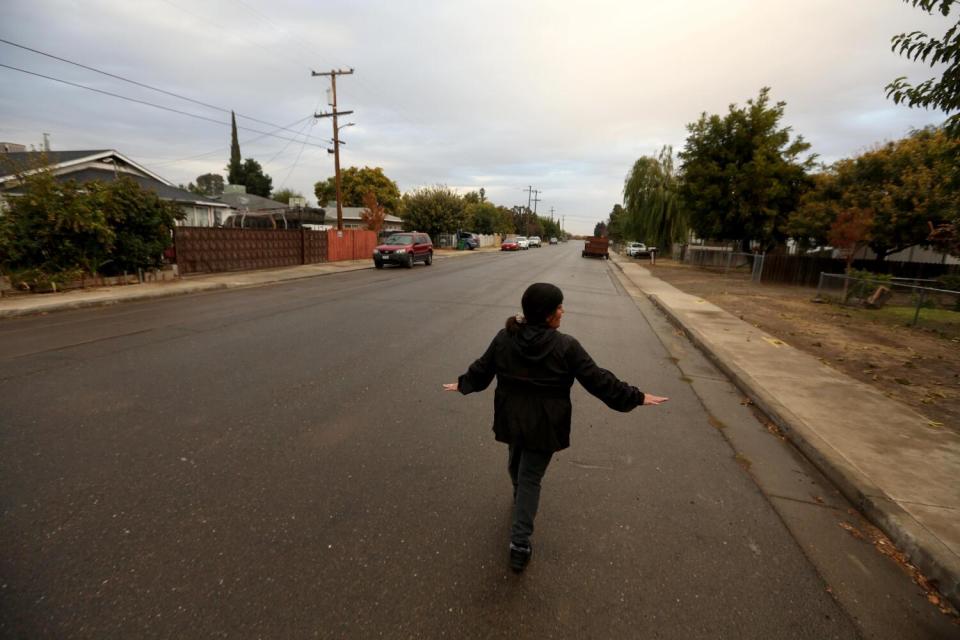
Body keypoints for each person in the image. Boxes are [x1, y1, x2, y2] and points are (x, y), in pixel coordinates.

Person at [443, 282, 668, 573]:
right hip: (543, 424)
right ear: (546, 314)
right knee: (523, 473)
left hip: (514, 417)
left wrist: (634, 396)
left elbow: (596, 379)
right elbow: (596, 379)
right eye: (558, 307)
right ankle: (521, 523)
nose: (563, 311)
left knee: (522, 471)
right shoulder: (562, 346)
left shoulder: (508, 338)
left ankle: (520, 528)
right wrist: (464, 382)